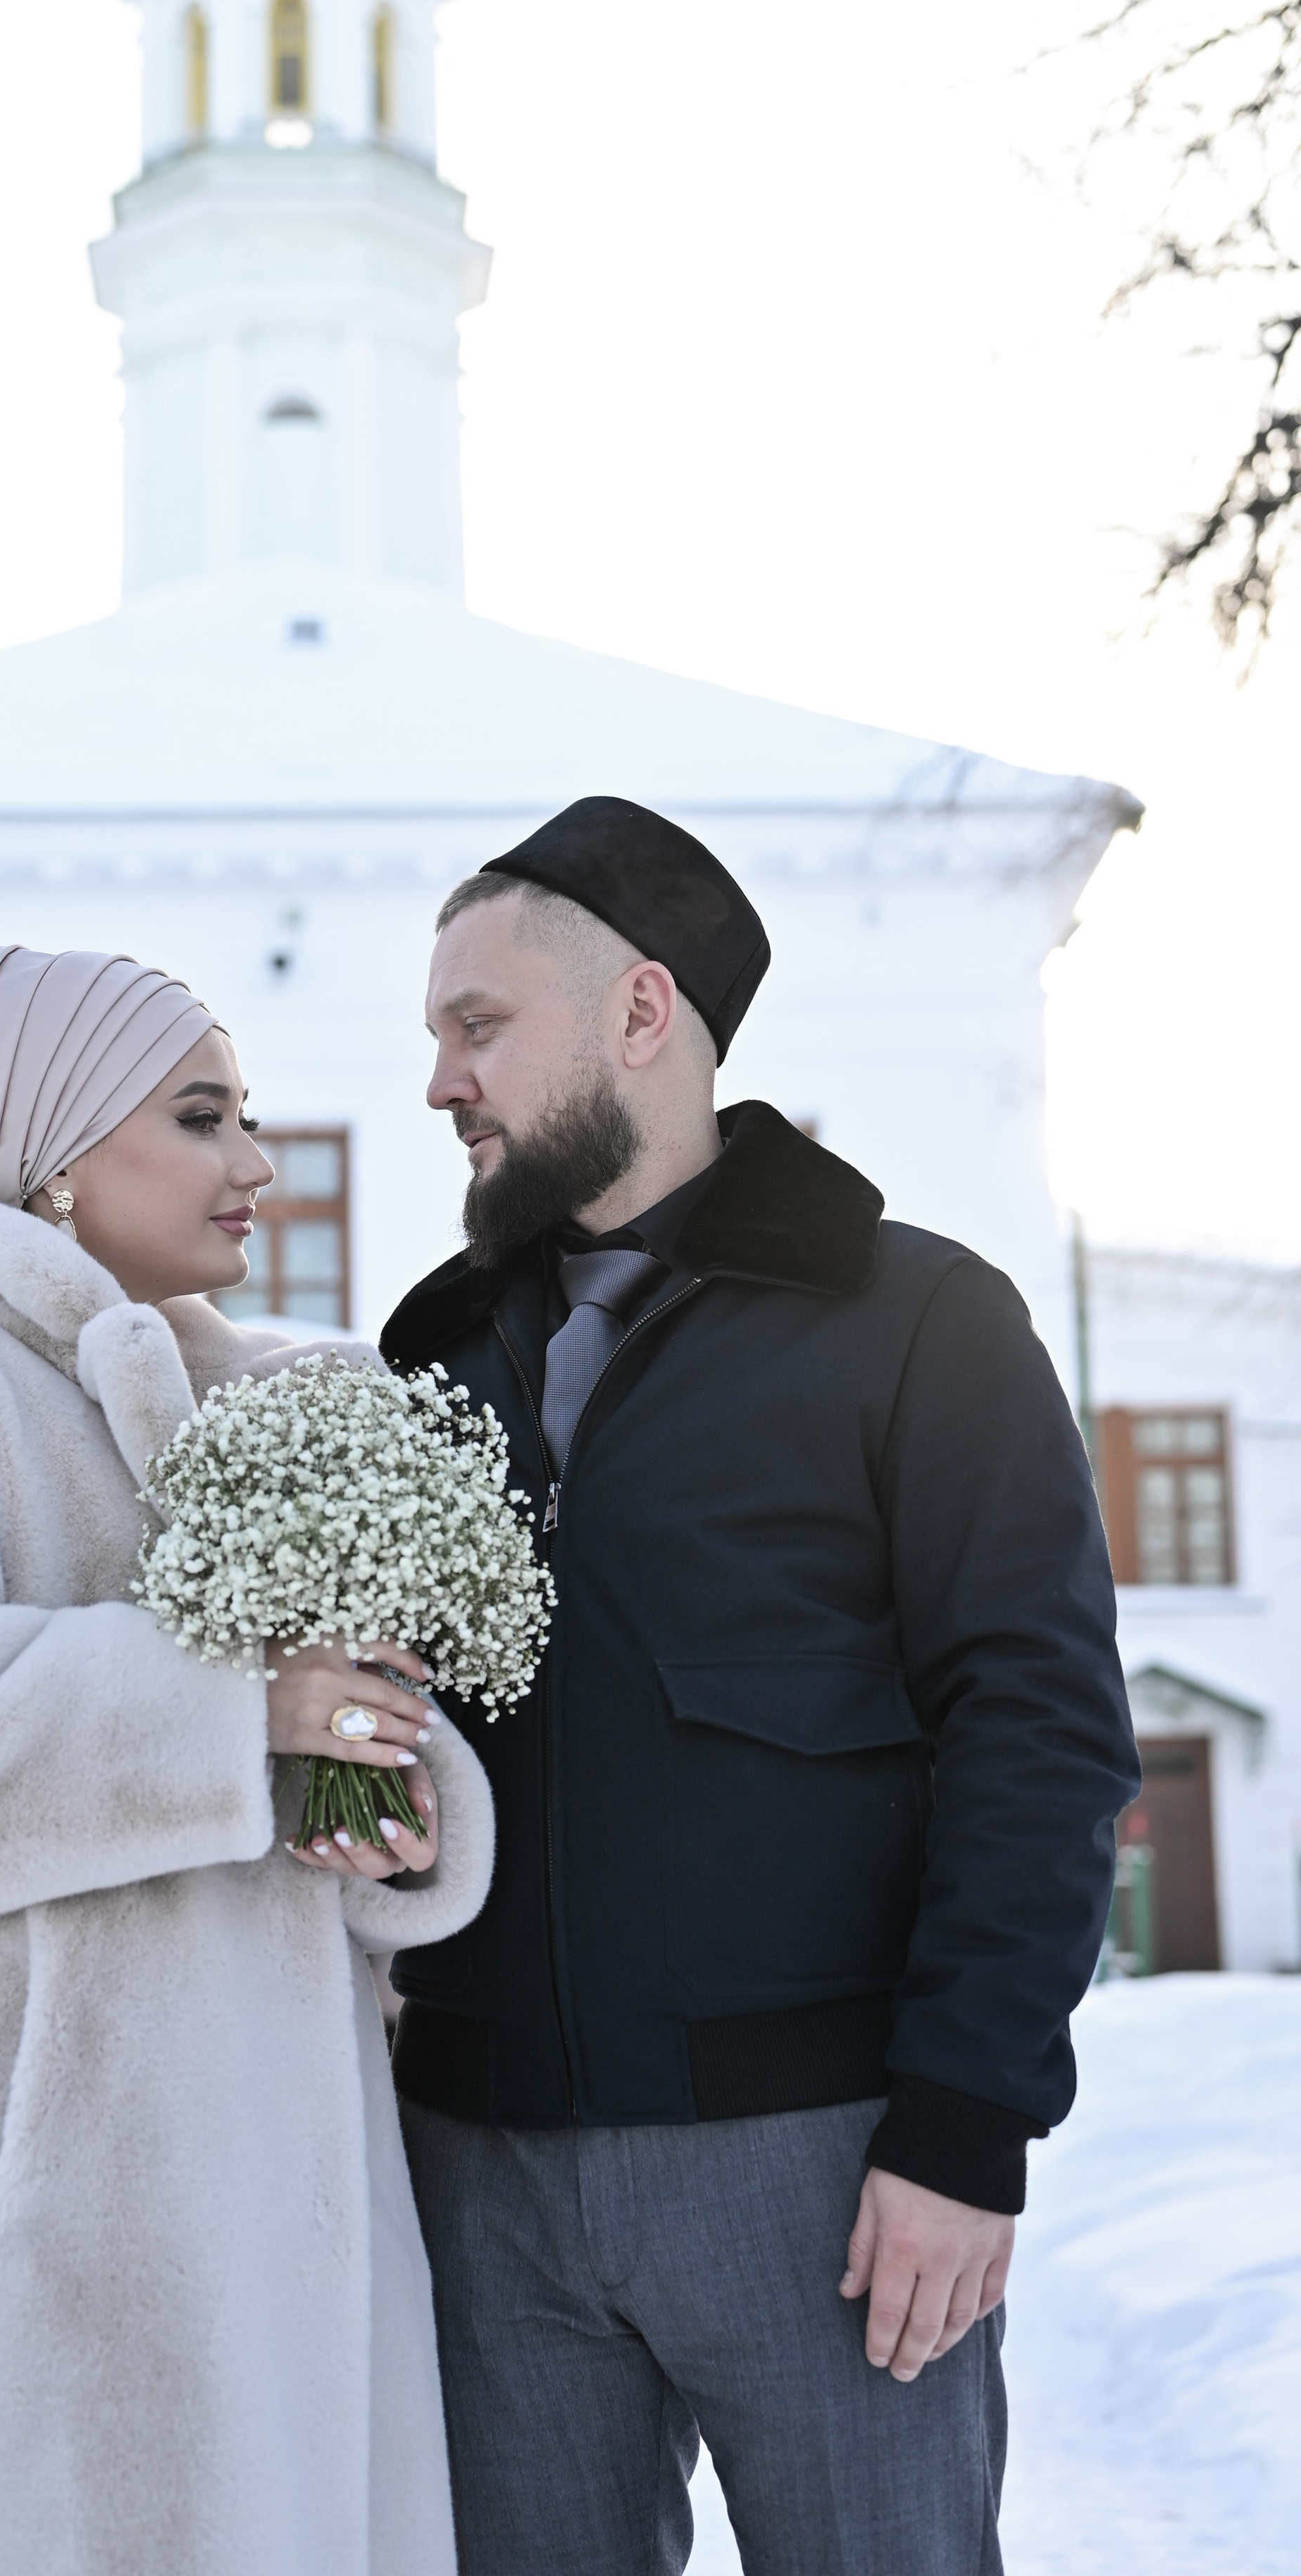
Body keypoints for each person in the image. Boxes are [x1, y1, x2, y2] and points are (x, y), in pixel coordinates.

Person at [380, 799, 1140, 2576]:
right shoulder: (429, 1358)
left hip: (823, 2174)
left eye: (475, 1026)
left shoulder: (920, 1323)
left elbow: (1036, 1741)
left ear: (641, 1014)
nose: (438, 1083)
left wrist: (963, 2131)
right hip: (481, 2181)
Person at [0, 944, 493, 2576]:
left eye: (249, 1116)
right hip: (43, 2230)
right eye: (201, 1116)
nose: (255, 1163)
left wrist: (399, 1815)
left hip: (298, 2223)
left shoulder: (298, 1404)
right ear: (54, 1150)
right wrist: (224, 1709)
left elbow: (359, 1730)